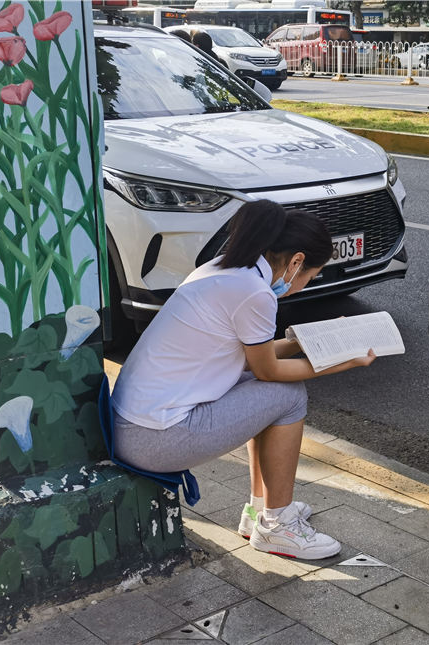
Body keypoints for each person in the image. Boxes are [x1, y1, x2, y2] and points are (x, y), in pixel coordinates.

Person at [111, 200, 377, 560]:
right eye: (310, 276)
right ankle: (277, 527)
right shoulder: (254, 292)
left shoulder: (222, 270)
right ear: (297, 261)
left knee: (262, 392)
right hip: (156, 438)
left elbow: (252, 361)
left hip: (135, 425)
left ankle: (260, 512)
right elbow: (268, 371)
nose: (303, 285)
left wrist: (304, 341)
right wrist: (342, 362)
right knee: (288, 396)